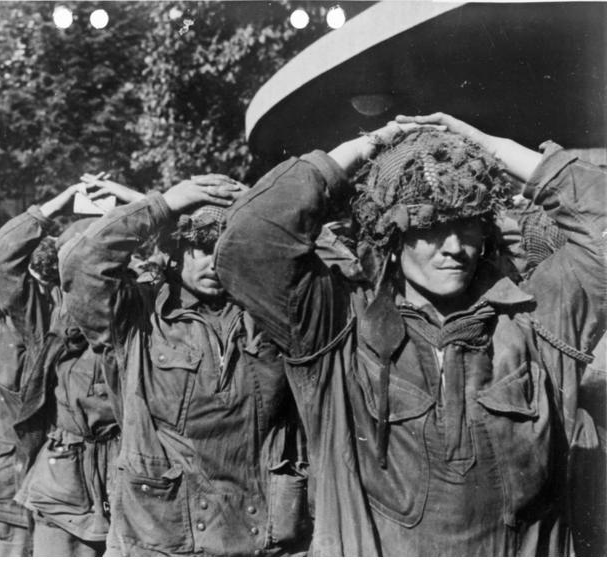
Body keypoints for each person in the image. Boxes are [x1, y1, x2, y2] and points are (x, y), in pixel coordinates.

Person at [215, 113, 606, 555]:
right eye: (430, 227)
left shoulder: (535, 319)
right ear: (392, 236)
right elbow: (249, 239)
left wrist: (489, 145)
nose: (455, 247)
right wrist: (373, 145)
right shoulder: (338, 327)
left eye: (468, 223)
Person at [61, 174, 313, 556]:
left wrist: (260, 207)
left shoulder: (272, 313)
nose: (214, 261)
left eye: (227, 245)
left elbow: (339, 264)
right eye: (201, 246)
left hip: (260, 541)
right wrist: (162, 203)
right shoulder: (138, 319)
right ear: (175, 252)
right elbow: (82, 263)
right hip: (161, 543)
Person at [0, 184, 83, 556]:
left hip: (70, 489)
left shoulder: (83, 314)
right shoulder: (7, 322)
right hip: (11, 482)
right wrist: (47, 213)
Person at [14, 217, 120, 557]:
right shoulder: (49, 313)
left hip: (121, 475)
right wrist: (46, 210)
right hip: (64, 480)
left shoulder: (137, 315)